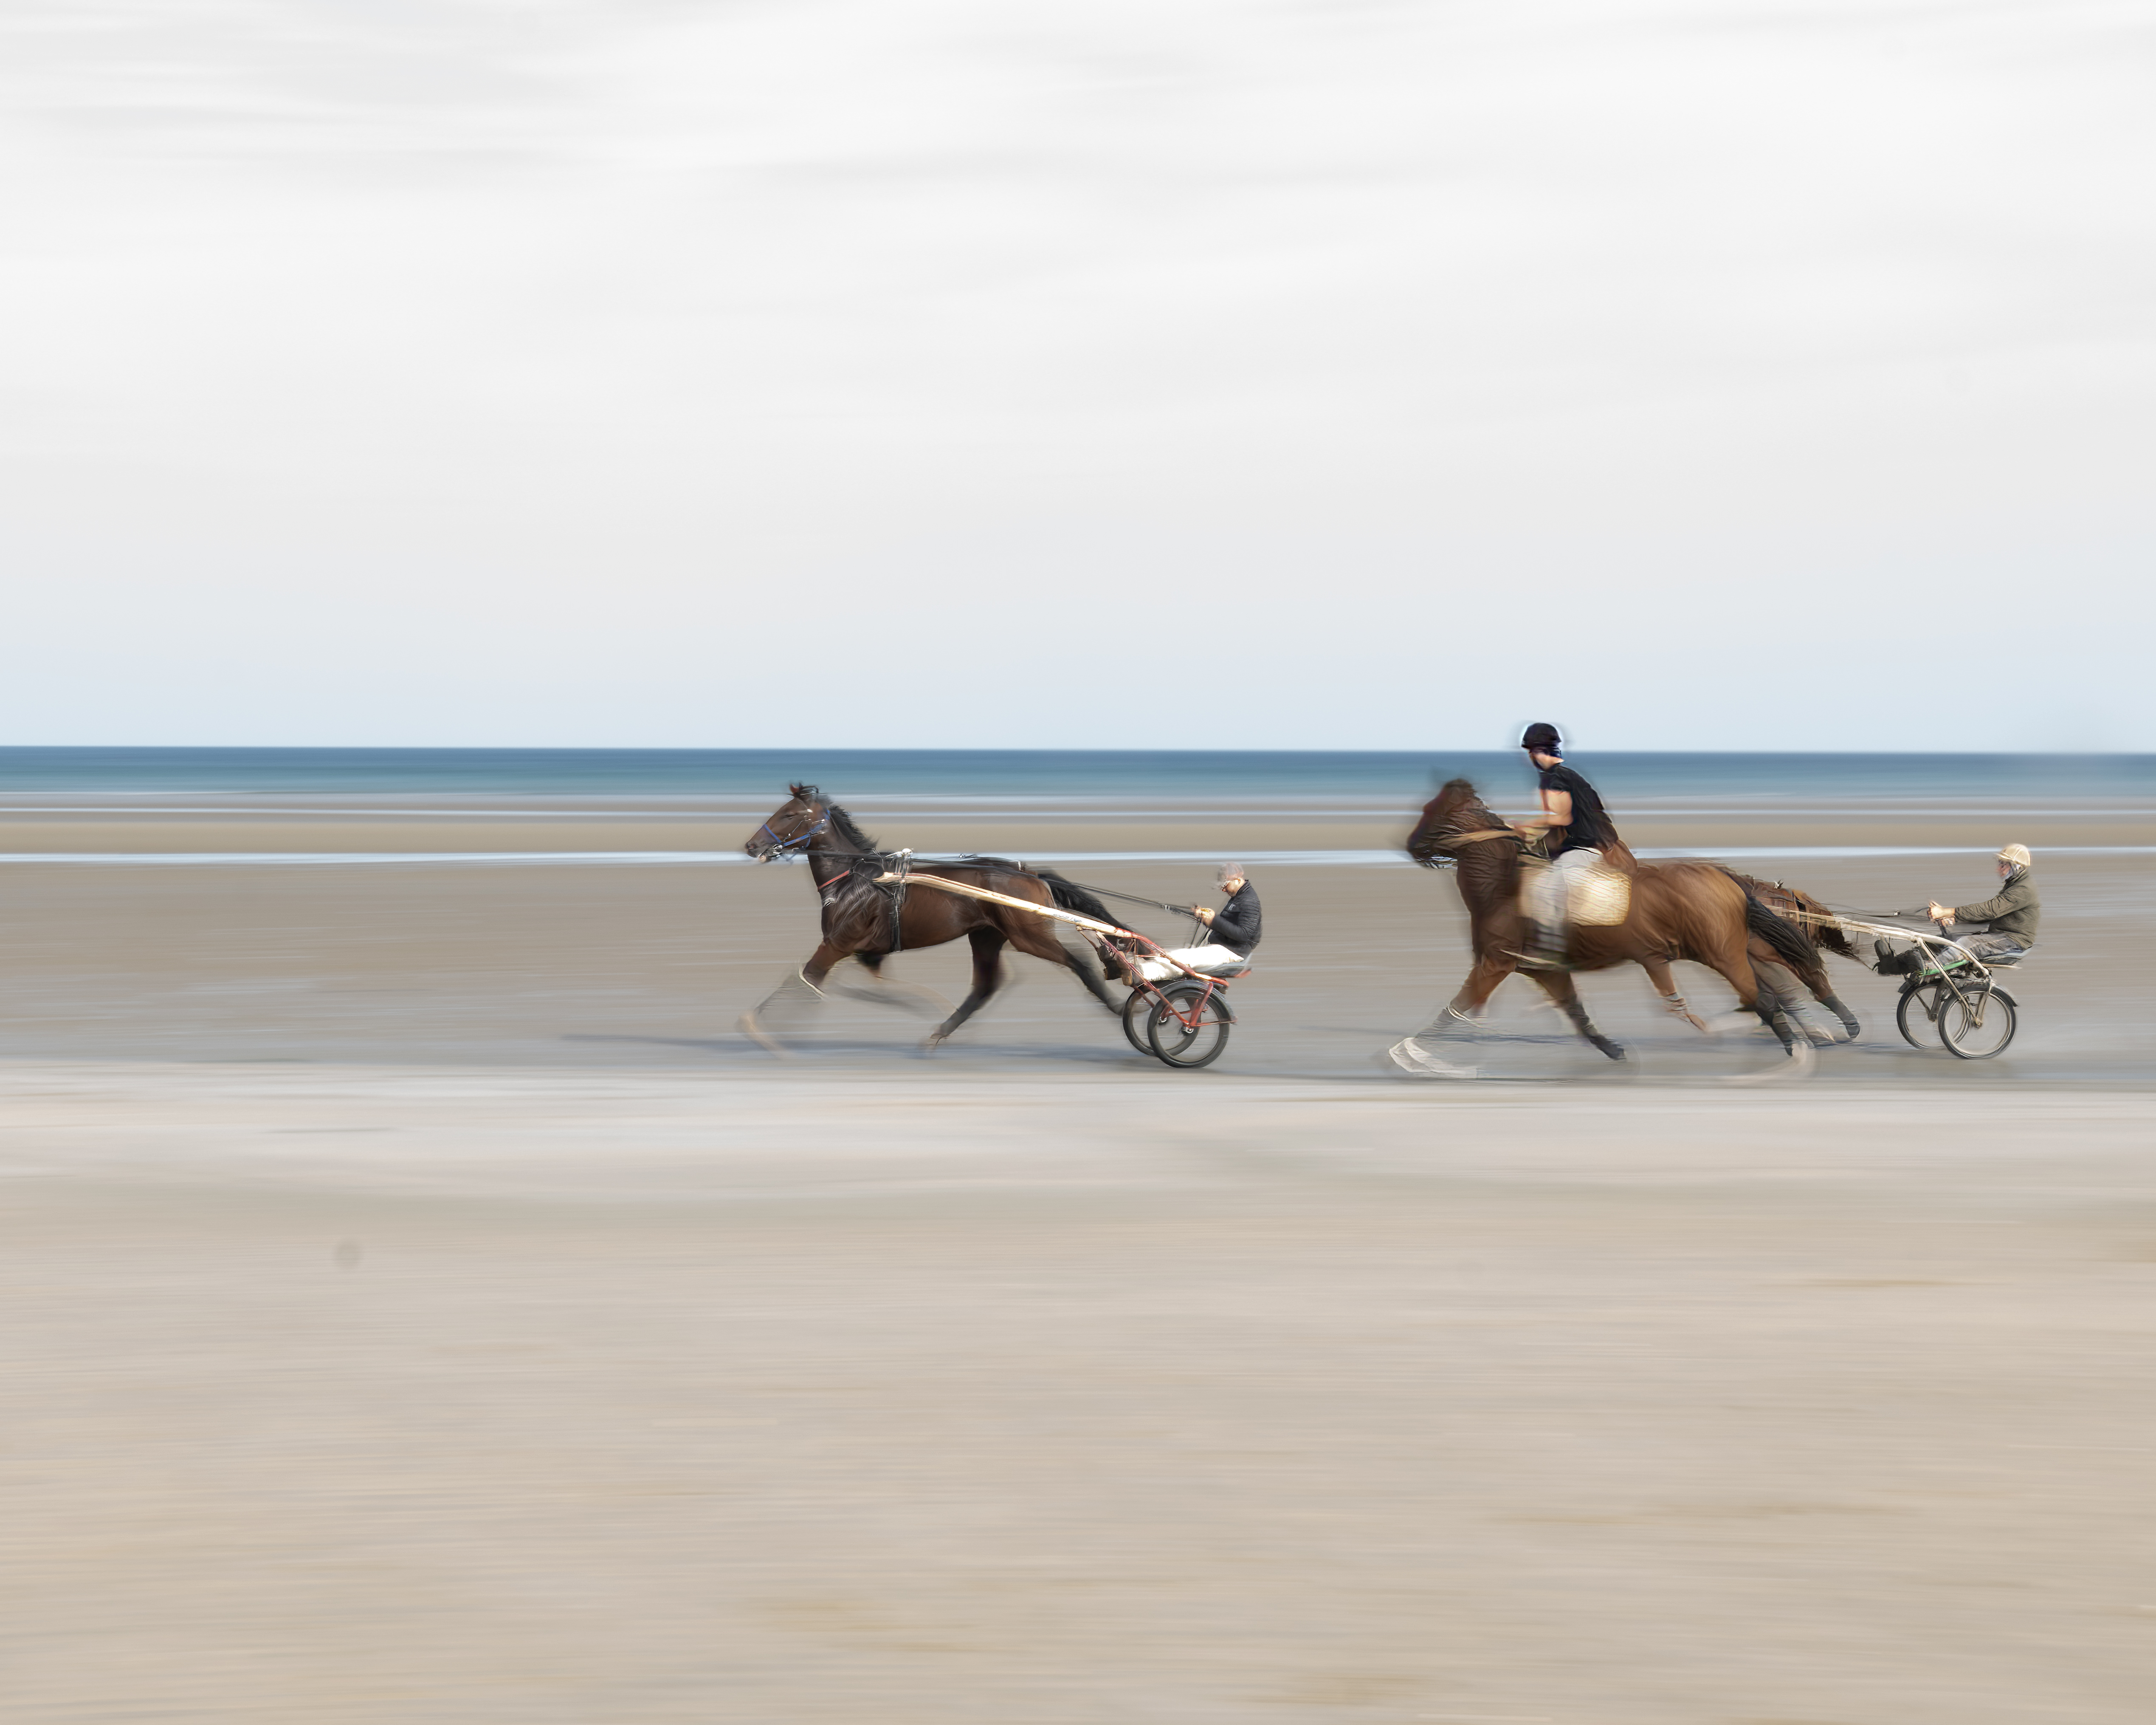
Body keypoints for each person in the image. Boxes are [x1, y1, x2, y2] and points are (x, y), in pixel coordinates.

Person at [1512, 723, 1618, 968]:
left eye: (1530, 752)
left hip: (1586, 847)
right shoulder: (1562, 776)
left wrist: (1527, 824)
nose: (1529, 758)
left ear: (1536, 752)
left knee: (1547, 889)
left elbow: (1562, 818)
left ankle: (1551, 953)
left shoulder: (1556, 779)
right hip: (1580, 843)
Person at [1874, 844, 2040, 974]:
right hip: (2001, 934)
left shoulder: (2022, 890)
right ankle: (1894, 965)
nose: (1999, 869)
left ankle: (1931, 968)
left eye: (2004, 865)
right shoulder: (2015, 885)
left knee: (1965, 944)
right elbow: (1994, 913)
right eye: (2000, 864)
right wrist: (1954, 919)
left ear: (2017, 867)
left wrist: (1948, 912)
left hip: (2013, 940)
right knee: (1943, 940)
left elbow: (1992, 910)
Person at [1192, 864, 1262, 956]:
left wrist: (1213, 920)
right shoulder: (1238, 897)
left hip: (1234, 952)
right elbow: (1227, 923)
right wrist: (1207, 917)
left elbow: (1244, 935)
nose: (1223, 890)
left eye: (1225, 885)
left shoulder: (1249, 902)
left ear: (1237, 881)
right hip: (1222, 947)